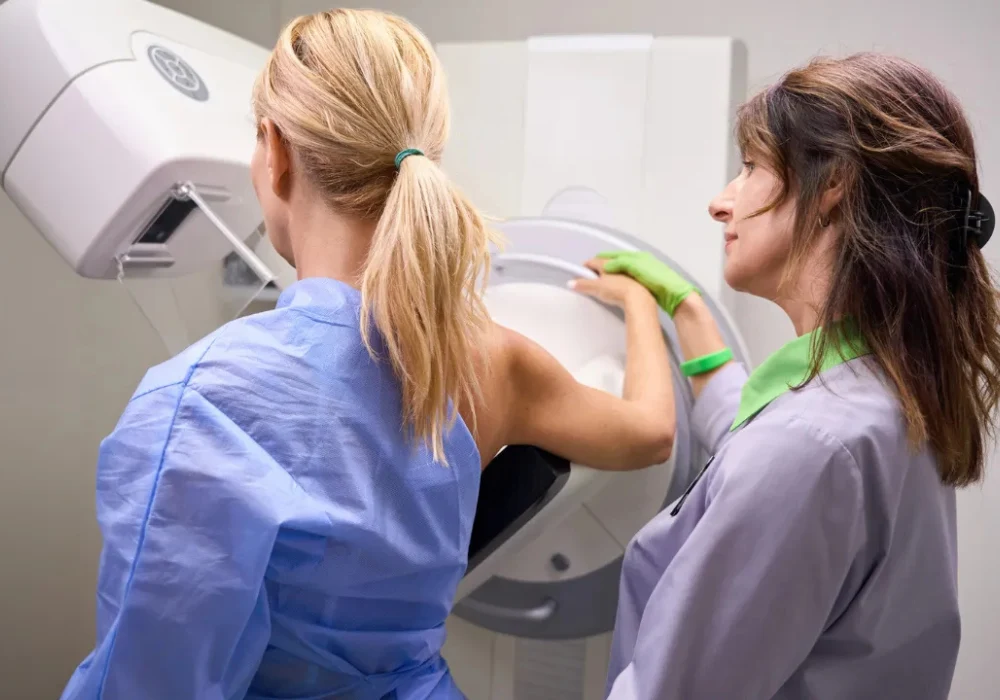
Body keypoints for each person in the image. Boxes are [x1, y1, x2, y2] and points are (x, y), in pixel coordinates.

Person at [58, 9, 674, 700]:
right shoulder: (492, 361)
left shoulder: (200, 403)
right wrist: (643, 307)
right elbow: (652, 435)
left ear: (275, 150)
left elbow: (152, 684)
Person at [583, 52, 1000, 700]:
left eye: (749, 168)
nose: (721, 203)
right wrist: (685, 312)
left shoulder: (810, 445)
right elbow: (759, 440)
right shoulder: (881, 397)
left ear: (832, 181)